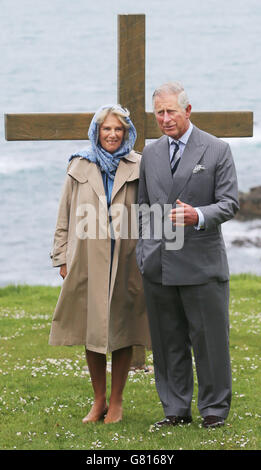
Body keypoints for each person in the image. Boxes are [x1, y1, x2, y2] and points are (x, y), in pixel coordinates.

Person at [136, 82, 239, 429]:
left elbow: (229, 203)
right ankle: (175, 409)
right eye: (159, 113)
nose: (165, 119)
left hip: (202, 265)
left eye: (171, 112)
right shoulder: (150, 154)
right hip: (158, 266)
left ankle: (214, 410)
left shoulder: (217, 149)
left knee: (209, 342)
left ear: (188, 110)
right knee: (167, 344)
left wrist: (198, 215)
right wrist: (144, 251)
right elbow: (144, 208)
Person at [49, 104, 150, 424]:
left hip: (126, 260)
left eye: (118, 129)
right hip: (88, 261)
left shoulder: (139, 166)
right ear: (97, 131)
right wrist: (61, 256)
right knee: (92, 329)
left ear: (126, 133)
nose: (112, 134)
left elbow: (150, 215)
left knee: (122, 328)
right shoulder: (79, 165)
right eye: (106, 129)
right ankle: (98, 401)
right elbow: (64, 214)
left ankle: (117, 402)